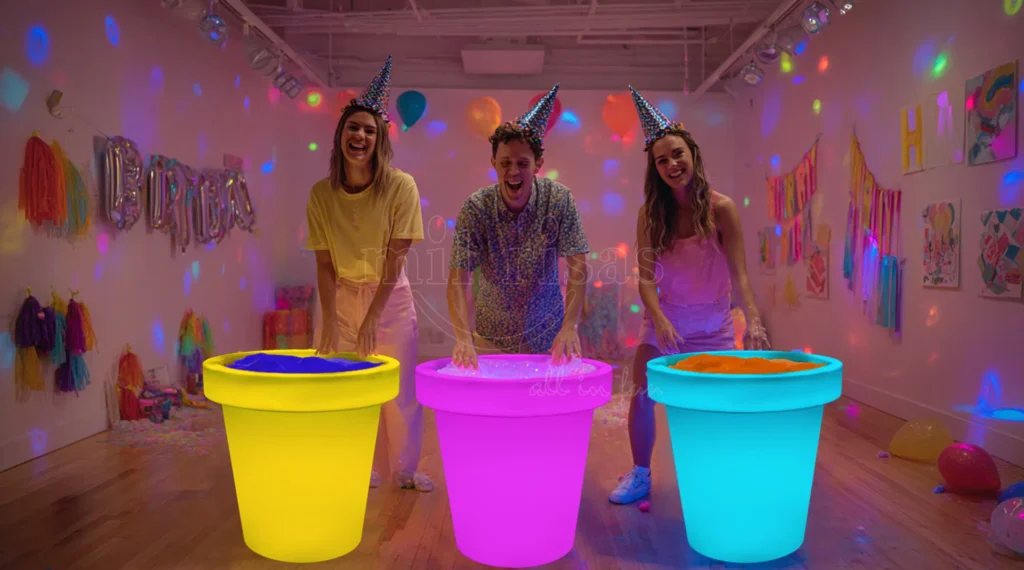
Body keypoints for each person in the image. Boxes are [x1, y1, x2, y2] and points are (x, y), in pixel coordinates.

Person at [608, 87, 769, 505]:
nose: (671, 164)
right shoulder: (649, 215)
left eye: (677, 154)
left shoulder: (723, 209)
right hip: (665, 323)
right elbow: (645, 279)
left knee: (720, 403)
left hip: (714, 325)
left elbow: (740, 274)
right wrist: (658, 319)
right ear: (654, 168)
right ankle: (641, 474)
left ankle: (721, 475)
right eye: (661, 160)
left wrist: (752, 318)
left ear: (693, 153)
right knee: (642, 394)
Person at [306, 56, 433, 492]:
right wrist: (328, 319)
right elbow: (323, 263)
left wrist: (374, 315)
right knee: (343, 386)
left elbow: (396, 257)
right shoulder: (321, 195)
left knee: (398, 394)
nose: (359, 136)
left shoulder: (401, 187)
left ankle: (405, 471)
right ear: (340, 135)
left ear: (379, 141)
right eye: (352, 128)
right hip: (340, 294)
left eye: (369, 130)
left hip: (390, 299)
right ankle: (354, 465)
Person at [447, 85, 590, 367]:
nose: (513, 171)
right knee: (494, 410)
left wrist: (570, 325)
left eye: (522, 163)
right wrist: (463, 337)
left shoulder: (559, 199)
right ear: (494, 164)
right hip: (492, 338)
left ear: (538, 164)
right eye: (506, 163)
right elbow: (457, 279)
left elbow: (578, 266)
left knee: (548, 409)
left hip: (550, 337)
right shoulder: (476, 208)